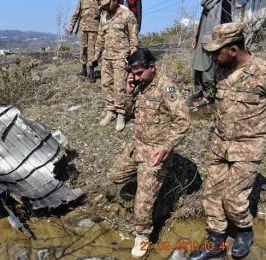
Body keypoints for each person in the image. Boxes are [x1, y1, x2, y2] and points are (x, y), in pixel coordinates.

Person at [189, 22, 266, 260]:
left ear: (233, 49)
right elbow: (218, 97)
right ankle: (216, 238)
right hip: (220, 143)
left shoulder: (264, 72)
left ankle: (244, 229)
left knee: (233, 197)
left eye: (217, 52)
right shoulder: (221, 70)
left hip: (249, 145)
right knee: (211, 192)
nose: (213, 57)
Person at [106, 48, 190, 257]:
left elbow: (183, 121)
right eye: (133, 73)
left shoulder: (166, 87)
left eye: (139, 72)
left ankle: (142, 235)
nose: (136, 77)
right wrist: (128, 90)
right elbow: (126, 113)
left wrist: (166, 147)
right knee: (114, 176)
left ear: (152, 68)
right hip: (138, 146)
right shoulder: (139, 86)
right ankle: (146, 189)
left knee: (143, 202)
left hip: (155, 151)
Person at [93, 0, 138, 132]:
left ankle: (121, 114)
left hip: (121, 57)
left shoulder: (127, 15)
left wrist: (133, 60)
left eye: (107, 4)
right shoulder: (105, 16)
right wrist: (96, 56)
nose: (105, 7)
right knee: (106, 84)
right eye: (103, 6)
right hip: (107, 57)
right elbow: (101, 37)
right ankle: (110, 110)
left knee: (119, 86)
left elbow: (134, 40)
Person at [189, 0, 232, 108]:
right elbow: (202, 23)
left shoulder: (223, 3)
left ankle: (209, 96)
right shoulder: (207, 5)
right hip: (202, 39)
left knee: (208, 69)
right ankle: (198, 93)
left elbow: (227, 24)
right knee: (198, 66)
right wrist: (196, 37)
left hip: (213, 41)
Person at [69, 0, 101, 83]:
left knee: (92, 50)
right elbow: (76, 14)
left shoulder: (100, 1)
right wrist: (72, 26)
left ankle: (91, 71)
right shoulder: (82, 1)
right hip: (83, 28)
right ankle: (83, 69)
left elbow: (105, 12)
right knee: (83, 49)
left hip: (94, 29)